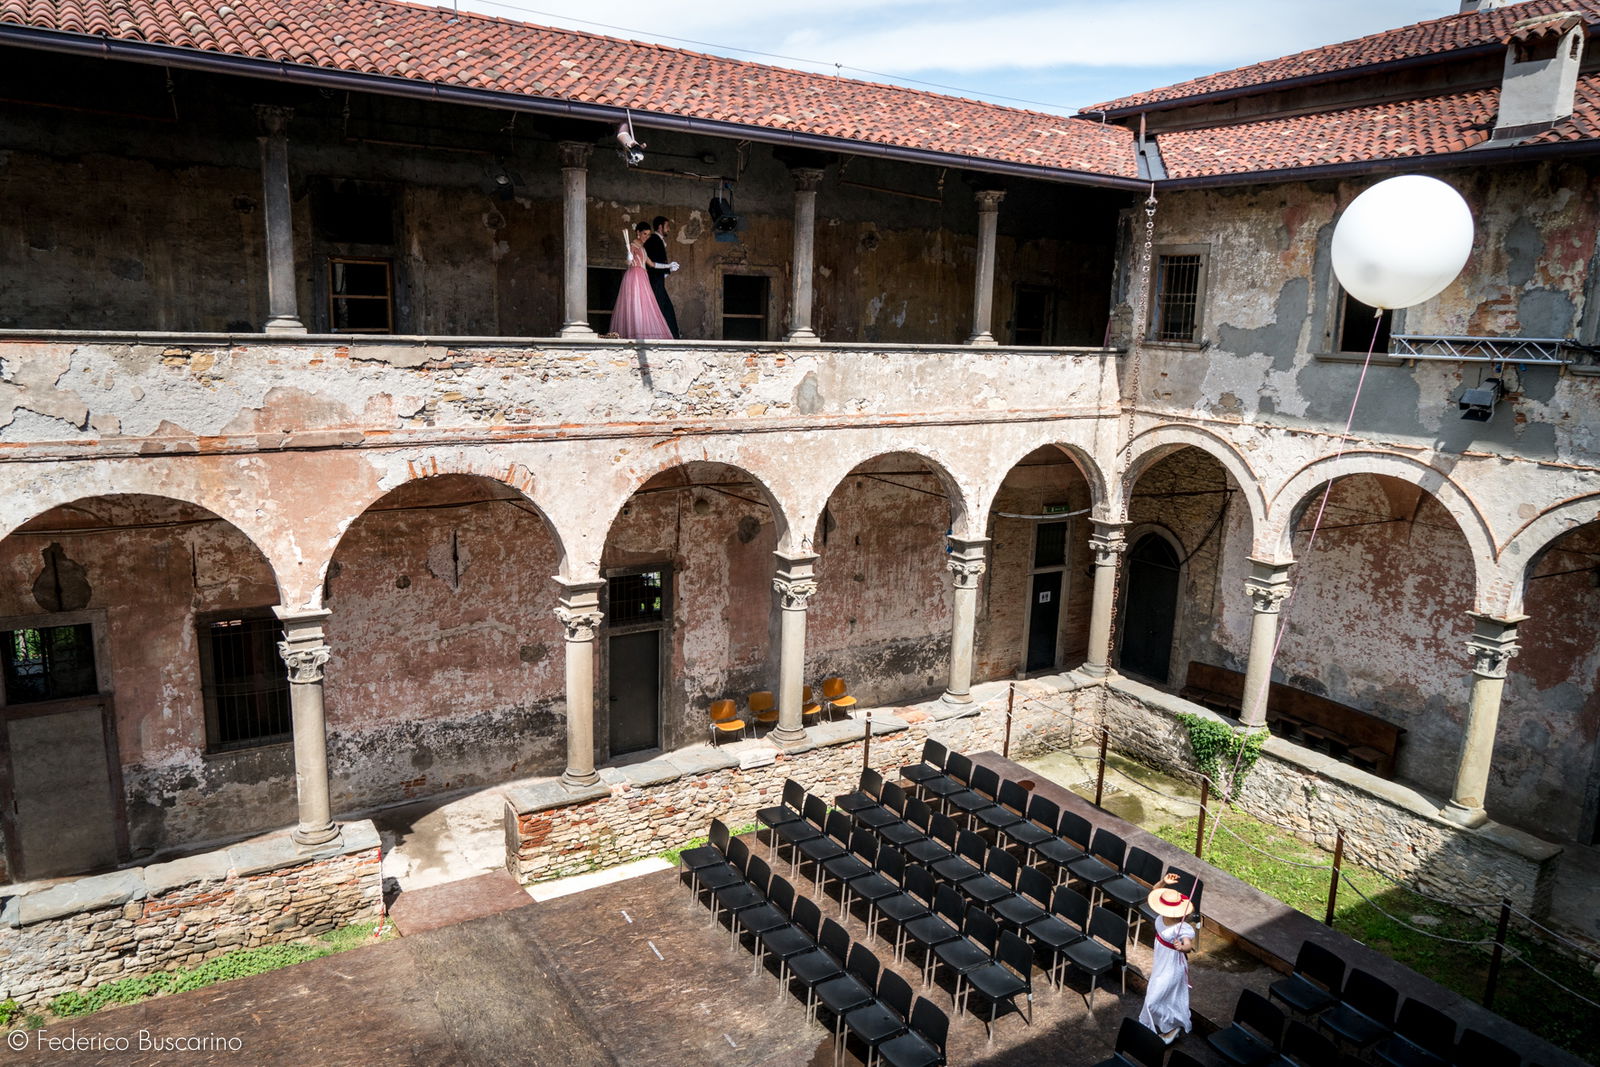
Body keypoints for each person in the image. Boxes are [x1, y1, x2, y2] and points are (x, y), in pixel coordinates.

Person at [1139, 873, 1196, 1044]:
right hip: (1161, 960)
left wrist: (1182, 947)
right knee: (1166, 995)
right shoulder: (1162, 917)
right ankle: (1170, 1025)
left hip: (1172, 965)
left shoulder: (1182, 927)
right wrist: (1164, 881)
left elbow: (1188, 945)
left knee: (1153, 997)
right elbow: (1155, 892)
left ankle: (1164, 1027)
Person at [610, 222, 674, 340]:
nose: (646, 237)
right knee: (634, 304)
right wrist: (628, 258)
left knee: (644, 304)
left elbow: (652, 264)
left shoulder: (643, 248)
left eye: (649, 235)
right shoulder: (632, 245)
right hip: (634, 275)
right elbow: (628, 263)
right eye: (644, 234)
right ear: (638, 233)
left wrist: (668, 266)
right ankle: (635, 334)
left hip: (643, 277)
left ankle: (641, 334)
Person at [643, 215, 681, 339]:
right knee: (661, 308)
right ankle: (665, 336)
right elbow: (652, 263)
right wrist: (668, 267)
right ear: (660, 227)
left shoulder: (657, 240)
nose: (669, 229)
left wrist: (667, 268)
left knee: (666, 308)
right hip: (655, 281)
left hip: (657, 280)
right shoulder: (654, 239)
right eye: (667, 226)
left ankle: (670, 336)